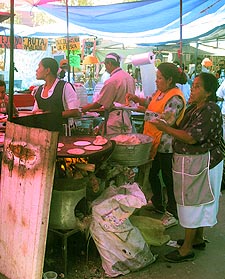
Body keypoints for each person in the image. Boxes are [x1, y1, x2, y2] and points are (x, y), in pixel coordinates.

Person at [150, 72, 223, 262]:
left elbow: (191, 137)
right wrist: (166, 121)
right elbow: (182, 127)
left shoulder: (210, 109)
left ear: (208, 93)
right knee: (197, 201)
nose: (193, 88)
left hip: (202, 163)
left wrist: (165, 129)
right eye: (194, 85)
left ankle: (186, 249)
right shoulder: (194, 107)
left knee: (193, 202)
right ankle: (197, 238)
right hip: (191, 163)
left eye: (198, 86)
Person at [126, 62, 187, 228]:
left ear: (169, 80)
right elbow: (150, 101)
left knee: (168, 179)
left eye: (159, 78)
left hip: (167, 145)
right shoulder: (161, 92)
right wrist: (136, 99)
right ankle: (158, 203)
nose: (156, 81)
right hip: (154, 141)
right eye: (156, 77)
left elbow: (167, 119)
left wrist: (140, 111)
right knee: (153, 173)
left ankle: (173, 212)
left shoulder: (175, 97)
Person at [81, 53, 136, 136]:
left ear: (109, 63)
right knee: (125, 142)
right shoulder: (129, 77)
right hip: (127, 117)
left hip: (115, 120)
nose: (105, 67)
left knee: (114, 143)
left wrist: (85, 108)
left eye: (105, 64)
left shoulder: (112, 81)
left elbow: (100, 103)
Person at [32, 57, 81, 133]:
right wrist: (38, 113)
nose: (36, 70)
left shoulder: (65, 87)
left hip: (62, 132)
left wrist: (52, 115)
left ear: (47, 71)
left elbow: (75, 112)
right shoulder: (38, 90)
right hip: (43, 132)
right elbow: (35, 111)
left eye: (39, 67)